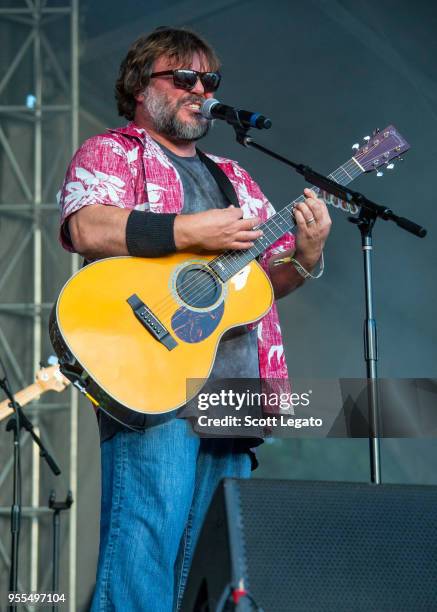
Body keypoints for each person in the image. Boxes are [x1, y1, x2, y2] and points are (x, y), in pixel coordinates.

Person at [57, 26, 331, 612]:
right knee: (144, 552)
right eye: (183, 78)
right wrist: (189, 230)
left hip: (233, 391)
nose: (199, 89)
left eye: (209, 80)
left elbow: (254, 291)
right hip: (153, 380)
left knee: (211, 567)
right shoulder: (112, 152)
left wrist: (305, 260)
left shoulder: (238, 178)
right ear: (140, 87)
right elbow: (86, 227)